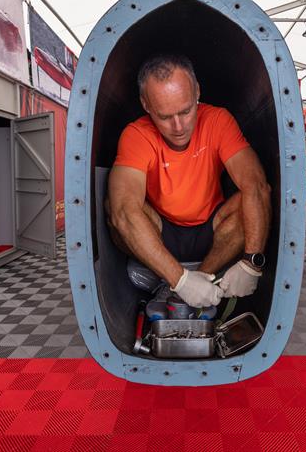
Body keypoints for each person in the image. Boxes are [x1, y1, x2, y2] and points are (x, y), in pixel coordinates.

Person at [106, 55, 271, 309]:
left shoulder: (218, 120)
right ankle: (176, 283)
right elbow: (123, 212)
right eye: (164, 116)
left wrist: (252, 262)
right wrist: (181, 281)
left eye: (186, 111)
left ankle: (201, 278)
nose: (179, 126)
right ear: (146, 105)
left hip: (213, 231)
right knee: (115, 206)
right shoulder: (136, 134)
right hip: (160, 232)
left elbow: (257, 186)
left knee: (247, 202)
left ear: (197, 92)